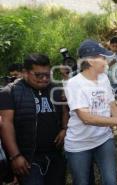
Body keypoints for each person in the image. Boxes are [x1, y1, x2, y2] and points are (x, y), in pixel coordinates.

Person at [63, 39, 117, 185]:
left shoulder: (103, 78)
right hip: (79, 144)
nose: (106, 61)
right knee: (82, 182)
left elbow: (111, 103)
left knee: (110, 181)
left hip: (104, 140)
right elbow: (86, 118)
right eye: (103, 58)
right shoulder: (74, 83)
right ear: (90, 61)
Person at [0, 54, 68, 185]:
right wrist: (16, 156)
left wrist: (64, 129)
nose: (44, 79)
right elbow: (6, 124)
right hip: (29, 160)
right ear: (25, 73)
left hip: (55, 156)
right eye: (38, 75)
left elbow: (64, 110)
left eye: (47, 75)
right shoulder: (10, 92)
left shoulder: (56, 89)